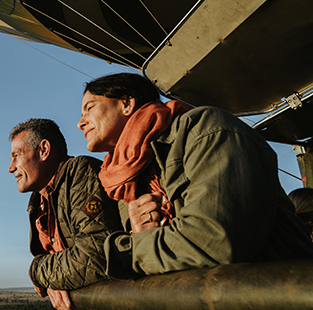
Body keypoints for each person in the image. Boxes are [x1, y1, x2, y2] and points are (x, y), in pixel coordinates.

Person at [77, 73, 313, 278]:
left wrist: (126, 251)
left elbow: (213, 242)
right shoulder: (121, 180)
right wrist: (142, 238)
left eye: (89, 108)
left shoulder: (206, 130)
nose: (80, 123)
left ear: (126, 103)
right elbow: (161, 248)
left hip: (281, 298)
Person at [8, 118, 123, 310]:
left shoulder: (80, 173)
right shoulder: (39, 202)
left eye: (16, 155)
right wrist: (55, 278)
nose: (11, 168)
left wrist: (37, 272)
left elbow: (95, 256)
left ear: (44, 150)